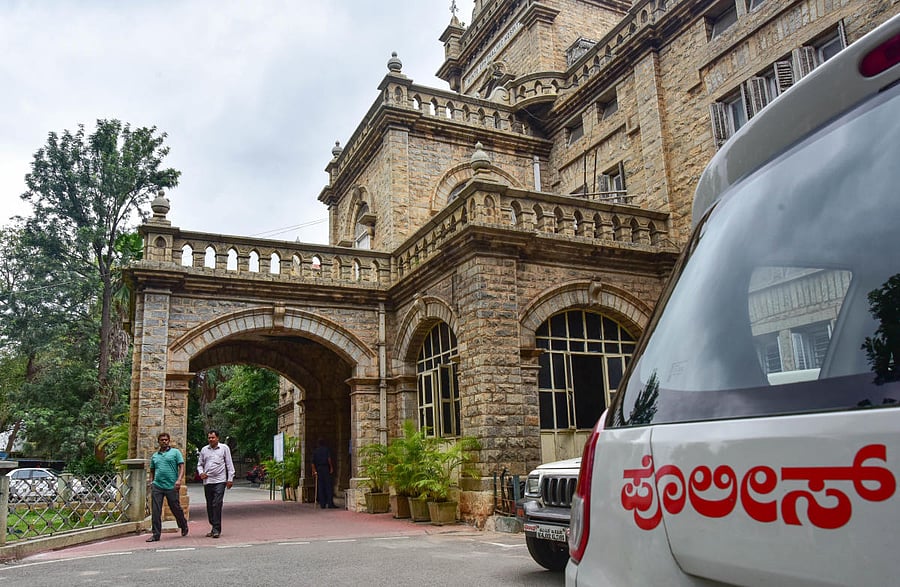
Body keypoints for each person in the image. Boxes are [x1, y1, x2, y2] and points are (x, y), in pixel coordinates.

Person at [147, 432, 189, 542]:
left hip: (172, 486)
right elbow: (152, 470)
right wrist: (151, 481)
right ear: (158, 442)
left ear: (169, 441)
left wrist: (179, 480)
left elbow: (181, 466)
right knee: (156, 510)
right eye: (162, 440)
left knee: (175, 507)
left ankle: (183, 524)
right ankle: (156, 534)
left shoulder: (175, 452)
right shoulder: (155, 456)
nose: (164, 442)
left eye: (166, 440)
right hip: (157, 486)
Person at [197, 430, 234, 538]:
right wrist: (201, 473)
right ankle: (213, 526)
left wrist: (230, 479)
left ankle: (216, 529)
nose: (211, 439)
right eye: (209, 438)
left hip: (220, 480)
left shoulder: (224, 448)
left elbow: (229, 464)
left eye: (213, 437)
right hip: (208, 481)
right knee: (210, 505)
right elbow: (200, 464)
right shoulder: (204, 450)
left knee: (217, 503)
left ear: (217, 438)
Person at [312, 437, 337, 508]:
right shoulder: (326, 450)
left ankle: (322, 504)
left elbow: (312, 463)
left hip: (319, 469)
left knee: (320, 486)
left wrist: (314, 471)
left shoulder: (315, 451)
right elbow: (329, 459)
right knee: (328, 486)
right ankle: (330, 503)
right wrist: (331, 467)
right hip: (325, 468)